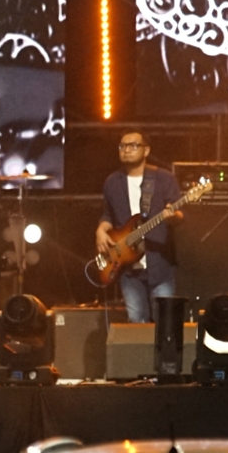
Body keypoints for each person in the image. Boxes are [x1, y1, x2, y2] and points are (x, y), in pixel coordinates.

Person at [95, 130, 185, 323]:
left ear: (146, 150)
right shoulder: (112, 182)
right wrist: (100, 230)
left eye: (133, 145)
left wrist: (172, 217)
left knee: (165, 324)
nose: (126, 150)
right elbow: (108, 215)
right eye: (122, 146)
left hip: (160, 264)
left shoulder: (164, 178)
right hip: (128, 268)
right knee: (136, 322)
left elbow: (179, 216)